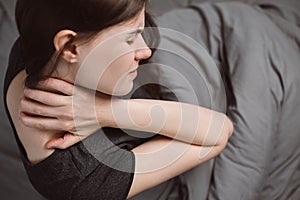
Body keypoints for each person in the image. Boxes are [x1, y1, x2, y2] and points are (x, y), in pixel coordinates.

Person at [4, 0, 233, 199]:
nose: (146, 50)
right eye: (130, 39)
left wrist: (98, 112)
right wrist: (108, 112)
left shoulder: (37, 38)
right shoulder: (83, 179)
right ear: (70, 47)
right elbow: (220, 131)